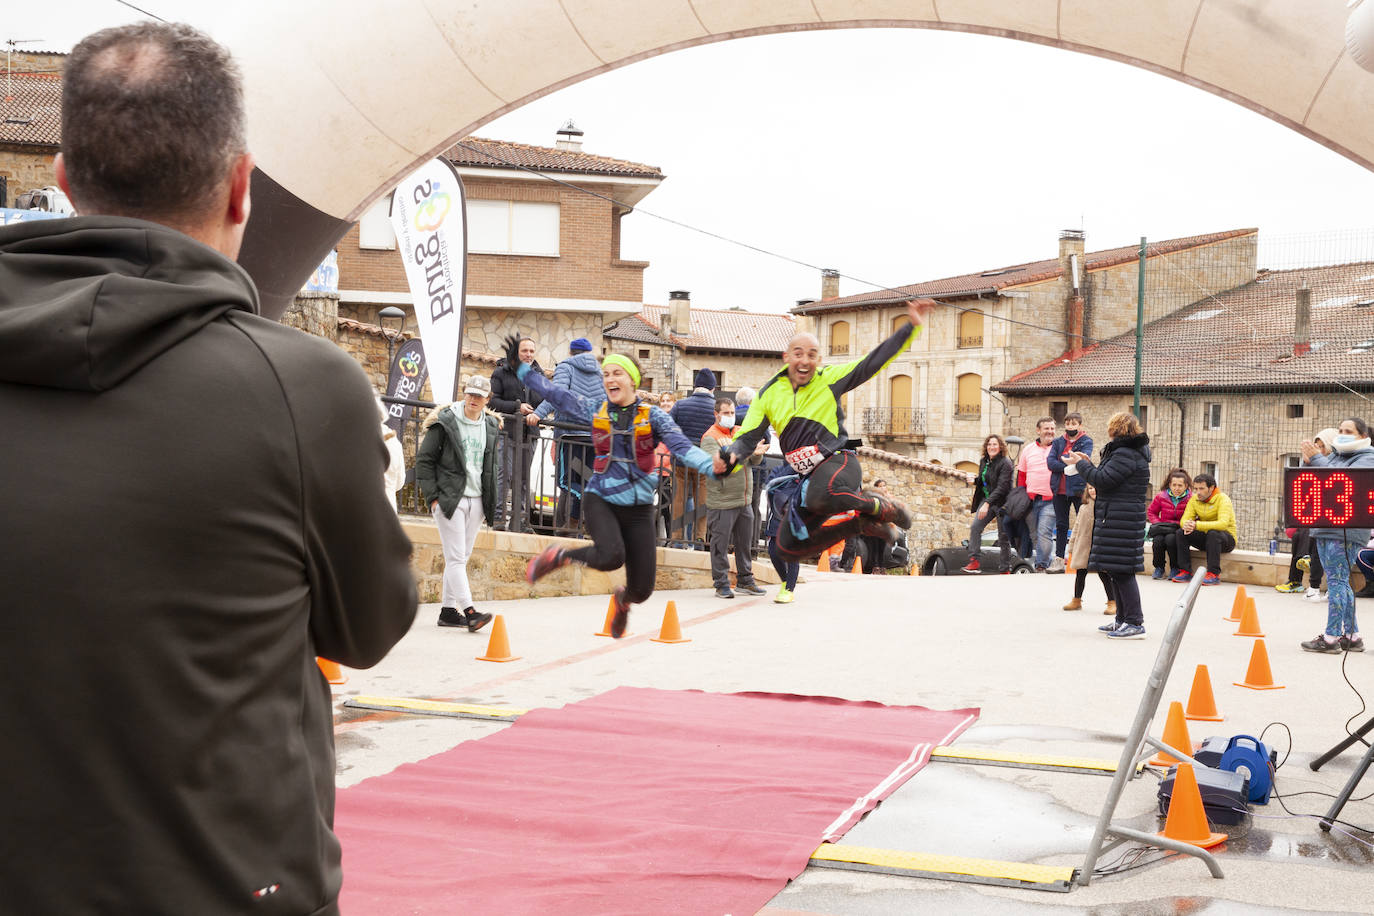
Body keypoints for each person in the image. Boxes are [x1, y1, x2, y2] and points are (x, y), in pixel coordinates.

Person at [0, 23, 417, 914]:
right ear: (240, 187)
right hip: (224, 883)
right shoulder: (303, 390)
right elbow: (369, 628)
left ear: (66, 183)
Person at [515, 341, 718, 637]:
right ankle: (558, 556)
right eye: (606, 374)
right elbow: (556, 395)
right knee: (612, 555)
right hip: (602, 499)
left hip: (638, 508)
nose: (610, 379)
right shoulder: (596, 410)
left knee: (643, 589)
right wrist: (523, 370)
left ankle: (623, 601)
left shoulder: (654, 416)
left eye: (617, 373)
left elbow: (682, 447)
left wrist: (713, 465)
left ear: (633, 380)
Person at [714, 299, 933, 560]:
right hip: (808, 477)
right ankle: (862, 524)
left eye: (811, 355)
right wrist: (729, 458)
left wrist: (910, 327)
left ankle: (880, 505)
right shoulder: (768, 394)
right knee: (788, 547)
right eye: (798, 354)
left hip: (839, 462)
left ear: (818, 359)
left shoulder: (828, 379)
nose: (804, 361)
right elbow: (747, 438)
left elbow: (871, 363)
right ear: (786, 357)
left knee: (821, 495)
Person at [416, 375, 500, 633]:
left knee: (461, 557)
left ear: (487, 399)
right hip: (450, 498)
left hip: (476, 500)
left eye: (479, 396)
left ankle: (448, 611)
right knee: (455, 558)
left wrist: (489, 501)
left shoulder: (490, 425)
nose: (473, 399)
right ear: (464, 393)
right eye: (470, 394)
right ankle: (470, 612)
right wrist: (432, 497)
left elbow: (490, 466)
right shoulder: (445, 422)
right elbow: (424, 461)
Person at [1064, 411, 1152, 638]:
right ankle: (1122, 619)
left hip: (1121, 518)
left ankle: (1134, 621)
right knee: (1116, 570)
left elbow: (1102, 480)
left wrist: (1081, 467)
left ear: (1116, 429)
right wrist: (1086, 463)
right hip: (1119, 516)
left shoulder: (1125, 454)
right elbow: (1105, 475)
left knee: (1123, 571)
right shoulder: (1127, 453)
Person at [1299, 417, 1374, 653]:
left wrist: (1318, 458)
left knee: (1336, 582)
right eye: (1340, 429)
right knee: (1341, 582)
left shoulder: (1367, 458)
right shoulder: (1336, 456)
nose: (1341, 433)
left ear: (1363, 436)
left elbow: (1340, 482)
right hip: (1325, 526)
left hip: (1346, 531)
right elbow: (1311, 480)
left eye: (1348, 431)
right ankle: (1352, 636)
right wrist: (1308, 461)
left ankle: (1331, 638)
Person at [531, 337, 602, 528]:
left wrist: (538, 413)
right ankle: (573, 528)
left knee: (566, 483)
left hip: (569, 434)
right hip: (592, 436)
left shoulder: (566, 367)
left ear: (571, 352)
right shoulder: (600, 372)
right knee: (583, 482)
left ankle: (570, 527)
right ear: (589, 353)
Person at [702, 397, 767, 598]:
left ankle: (745, 580)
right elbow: (719, 465)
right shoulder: (709, 438)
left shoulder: (740, 432)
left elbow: (753, 460)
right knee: (719, 545)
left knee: (744, 544)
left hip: (743, 499)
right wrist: (747, 453)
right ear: (716, 414)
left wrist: (757, 453)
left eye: (732, 413)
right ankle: (721, 583)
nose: (731, 417)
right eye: (726, 413)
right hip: (722, 500)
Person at [489, 335, 543, 531]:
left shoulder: (538, 374)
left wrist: (538, 412)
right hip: (507, 433)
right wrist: (516, 407)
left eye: (531, 351)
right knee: (504, 476)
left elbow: (544, 400)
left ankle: (519, 521)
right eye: (524, 351)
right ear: (516, 353)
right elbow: (491, 402)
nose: (528, 355)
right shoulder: (501, 372)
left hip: (530, 435)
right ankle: (498, 519)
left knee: (523, 479)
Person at [1283, 427, 1336, 599]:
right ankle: (1300, 581)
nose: (1318, 450)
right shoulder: (1312, 464)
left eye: (1322, 447)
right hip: (1315, 517)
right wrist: (1306, 462)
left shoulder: (1336, 463)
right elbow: (1303, 488)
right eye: (1316, 446)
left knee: (1328, 548)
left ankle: (1329, 587)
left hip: (1334, 518)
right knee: (1303, 536)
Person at [669, 368, 719, 543]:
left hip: (681, 460)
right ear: (712, 388)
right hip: (705, 462)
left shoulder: (680, 405)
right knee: (702, 502)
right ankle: (699, 539)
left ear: (695, 386)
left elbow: (668, 428)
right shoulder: (716, 409)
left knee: (678, 500)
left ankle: (676, 539)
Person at [1046, 412, 1093, 572]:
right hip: (1059, 490)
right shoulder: (1058, 442)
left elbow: (1084, 460)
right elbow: (1050, 462)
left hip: (1079, 489)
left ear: (1080, 426)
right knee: (1061, 525)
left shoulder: (1086, 441)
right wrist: (1067, 466)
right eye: (1068, 424)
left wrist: (1069, 461)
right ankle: (1059, 560)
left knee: (1084, 524)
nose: (1070, 427)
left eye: (1074, 424)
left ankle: (1085, 559)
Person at [1169, 473, 1236, 585]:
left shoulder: (1223, 499)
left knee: (1213, 533)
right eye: (1195, 489)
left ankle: (1213, 574)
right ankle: (1185, 571)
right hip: (1207, 539)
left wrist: (1197, 525)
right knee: (1181, 532)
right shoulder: (1194, 499)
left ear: (1211, 488)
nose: (1198, 492)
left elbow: (1223, 524)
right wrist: (1187, 525)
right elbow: (1184, 520)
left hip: (1226, 540)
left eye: (1201, 488)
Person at [1061, 485, 1117, 615]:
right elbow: (1076, 526)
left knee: (1104, 574)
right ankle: (1076, 600)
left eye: (1096, 488)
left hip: (1100, 545)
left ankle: (1112, 601)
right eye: (1090, 488)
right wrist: (1072, 545)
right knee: (1080, 572)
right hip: (1084, 545)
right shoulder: (1083, 507)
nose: (1093, 491)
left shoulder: (1106, 506)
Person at [962, 435, 1014, 574]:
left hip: (1003, 503)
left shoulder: (1006, 463)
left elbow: (1002, 487)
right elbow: (986, 480)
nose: (992, 447)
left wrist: (987, 504)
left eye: (995, 444)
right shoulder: (984, 461)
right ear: (986, 447)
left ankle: (1005, 569)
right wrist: (974, 480)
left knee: (1003, 537)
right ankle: (974, 561)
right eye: (989, 444)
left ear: (1000, 447)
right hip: (988, 500)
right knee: (975, 527)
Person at [1016, 417, 1059, 571]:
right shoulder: (1028, 449)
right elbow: (1021, 475)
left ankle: (1041, 565)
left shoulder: (1059, 448)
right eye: (1046, 428)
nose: (1050, 431)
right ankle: (1045, 562)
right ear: (1038, 430)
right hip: (1030, 501)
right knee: (1035, 536)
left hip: (1051, 500)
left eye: (1052, 428)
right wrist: (1020, 497)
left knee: (1044, 532)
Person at [763, 461, 802, 602]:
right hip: (777, 516)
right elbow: (770, 485)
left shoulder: (807, 471)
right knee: (773, 552)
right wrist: (791, 469)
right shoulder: (779, 469)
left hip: (797, 518)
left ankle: (789, 590)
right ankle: (785, 581)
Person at [1147, 468, 1192, 579]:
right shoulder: (1161, 496)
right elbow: (1151, 512)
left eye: (1180, 485)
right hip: (1163, 527)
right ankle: (1159, 568)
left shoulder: (1191, 499)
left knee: (1171, 540)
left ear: (1186, 486)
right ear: (1169, 485)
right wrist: (1158, 523)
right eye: (1174, 485)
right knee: (1158, 541)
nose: (1176, 488)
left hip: (1178, 528)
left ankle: (1175, 568)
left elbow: (1194, 515)